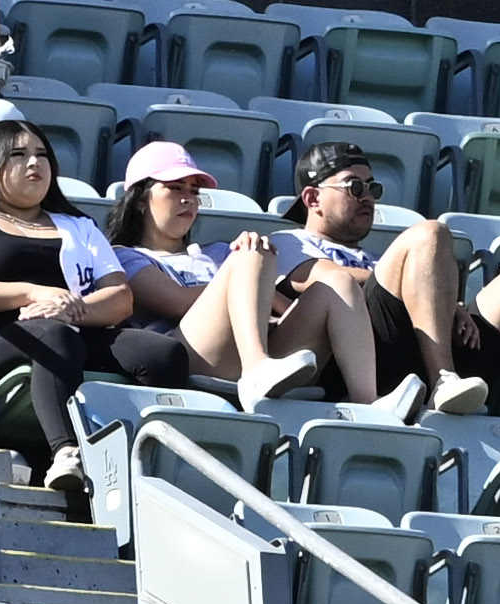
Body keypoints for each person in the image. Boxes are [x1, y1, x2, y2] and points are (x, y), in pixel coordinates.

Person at [277, 143, 500, 428]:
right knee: (429, 233)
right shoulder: (289, 241)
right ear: (312, 199)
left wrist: (440, 301)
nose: (368, 197)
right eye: (355, 187)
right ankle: (444, 378)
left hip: (413, 347)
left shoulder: (372, 255)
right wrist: (440, 299)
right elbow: (324, 278)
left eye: (373, 188)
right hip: (359, 361)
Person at [0, 115, 129, 488]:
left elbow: (121, 298)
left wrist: (73, 307)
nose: (35, 163)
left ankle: (144, 465)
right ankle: (65, 452)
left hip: (75, 327)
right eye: (18, 154)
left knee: (159, 353)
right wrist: (33, 292)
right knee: (54, 335)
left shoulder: (79, 225)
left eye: (42, 154)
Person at [107, 138, 356, 410]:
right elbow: (177, 302)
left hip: (251, 351)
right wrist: (240, 271)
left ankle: (366, 399)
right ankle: (256, 367)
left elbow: (283, 309)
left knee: (333, 287)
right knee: (248, 251)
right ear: (141, 199)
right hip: (189, 359)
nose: (187, 199)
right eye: (175, 188)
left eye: (194, 191)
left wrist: (266, 304)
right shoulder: (123, 256)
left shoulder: (219, 252)